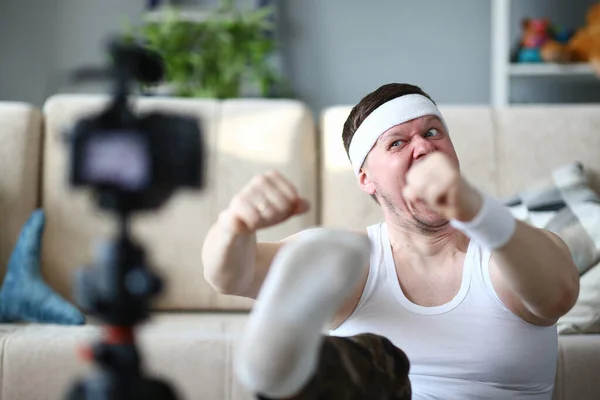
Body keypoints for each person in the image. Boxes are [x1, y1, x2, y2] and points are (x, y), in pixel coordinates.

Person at [201, 83, 580, 400]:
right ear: (365, 178)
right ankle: (288, 371)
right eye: (397, 142)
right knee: (368, 359)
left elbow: (559, 295)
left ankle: (290, 375)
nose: (423, 147)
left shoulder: (507, 252)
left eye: (432, 132)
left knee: (374, 359)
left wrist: (480, 212)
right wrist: (234, 224)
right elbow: (231, 276)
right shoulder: (347, 261)